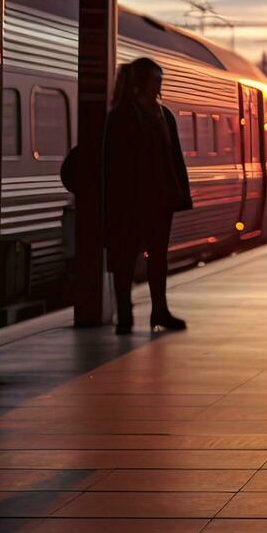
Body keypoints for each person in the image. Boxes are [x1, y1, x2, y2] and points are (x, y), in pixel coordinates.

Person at [103, 57, 193, 334]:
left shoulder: (163, 115)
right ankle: (125, 315)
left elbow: (173, 158)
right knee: (126, 258)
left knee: (157, 257)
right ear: (143, 82)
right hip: (130, 200)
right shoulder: (122, 116)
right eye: (156, 79)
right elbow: (114, 161)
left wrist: (179, 192)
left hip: (159, 199)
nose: (159, 85)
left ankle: (160, 311)